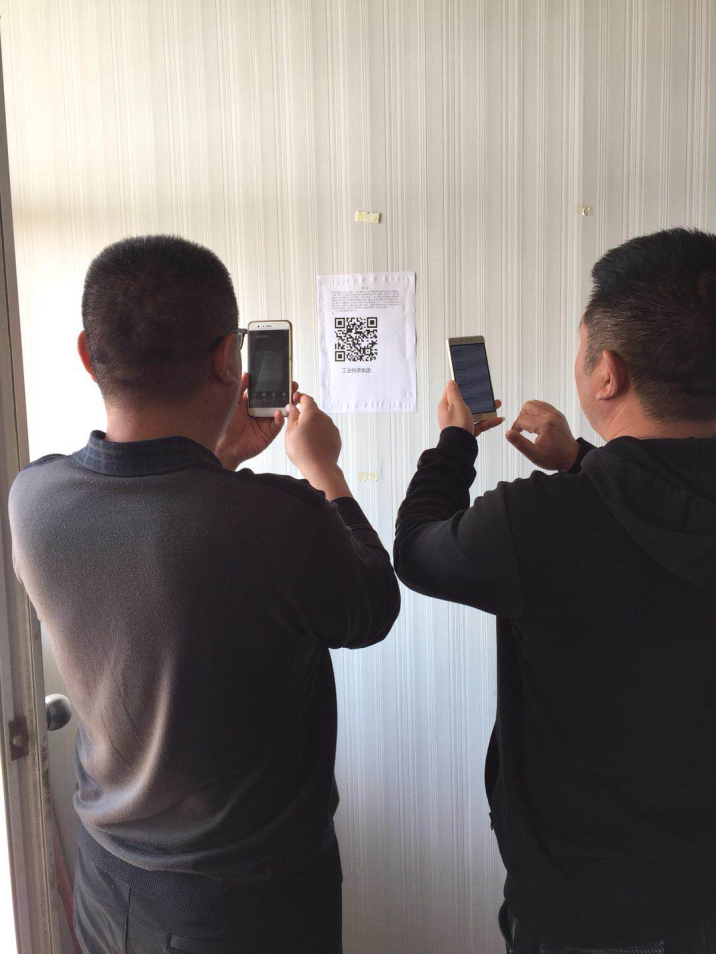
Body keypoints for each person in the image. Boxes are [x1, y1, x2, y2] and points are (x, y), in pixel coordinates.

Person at [9, 235, 400, 954]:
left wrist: (216, 457)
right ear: (228, 360)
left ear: (89, 356)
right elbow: (373, 607)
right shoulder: (280, 519)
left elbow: (162, 543)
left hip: (108, 884)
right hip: (248, 906)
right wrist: (324, 469)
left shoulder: (34, 500)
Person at [394, 227, 716, 953]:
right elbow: (668, 507)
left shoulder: (533, 523)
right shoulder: (565, 504)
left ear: (608, 375)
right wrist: (581, 461)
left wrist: (455, 442)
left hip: (579, 909)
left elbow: (416, 551)